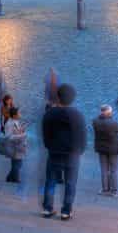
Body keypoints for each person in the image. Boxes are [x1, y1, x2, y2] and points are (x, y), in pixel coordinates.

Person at [40, 83, 86, 220]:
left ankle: (47, 208)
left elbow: (45, 134)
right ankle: (66, 211)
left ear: (58, 97)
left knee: (50, 181)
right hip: (72, 154)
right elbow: (82, 136)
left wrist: (49, 146)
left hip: (54, 152)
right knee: (70, 183)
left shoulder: (49, 114)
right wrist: (80, 151)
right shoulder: (77, 115)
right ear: (72, 98)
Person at [92, 104, 118, 197]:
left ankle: (105, 189)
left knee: (104, 170)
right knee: (113, 170)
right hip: (113, 149)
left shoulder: (95, 121)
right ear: (109, 112)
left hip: (101, 148)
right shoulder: (113, 123)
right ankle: (114, 191)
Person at [1, 104, 28, 189]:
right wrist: (22, 135)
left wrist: (21, 130)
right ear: (14, 115)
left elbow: (15, 132)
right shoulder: (9, 123)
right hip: (14, 147)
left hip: (18, 146)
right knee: (17, 164)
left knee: (18, 163)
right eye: (19, 113)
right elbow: (9, 136)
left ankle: (10, 178)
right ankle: (15, 179)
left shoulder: (15, 122)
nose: (20, 114)